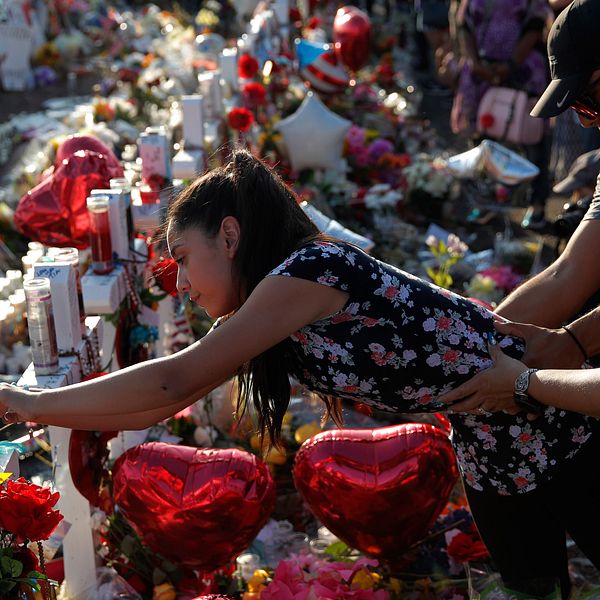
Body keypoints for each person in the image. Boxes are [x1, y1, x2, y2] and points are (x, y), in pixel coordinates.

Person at [1, 150, 599, 596]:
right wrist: (31, 408)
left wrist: (26, 404)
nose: (179, 284)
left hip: (551, 421)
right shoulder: (278, 296)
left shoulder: (305, 272)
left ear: (230, 235)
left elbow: (170, 383)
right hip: (490, 442)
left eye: (183, 259)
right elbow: (159, 403)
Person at [450, 0, 552, 231]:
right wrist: (475, 62)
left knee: (531, 138)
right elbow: (464, 24)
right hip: (480, 71)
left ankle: (536, 204)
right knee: (482, 139)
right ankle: (484, 200)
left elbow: (534, 27)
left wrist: (509, 66)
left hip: (522, 70)